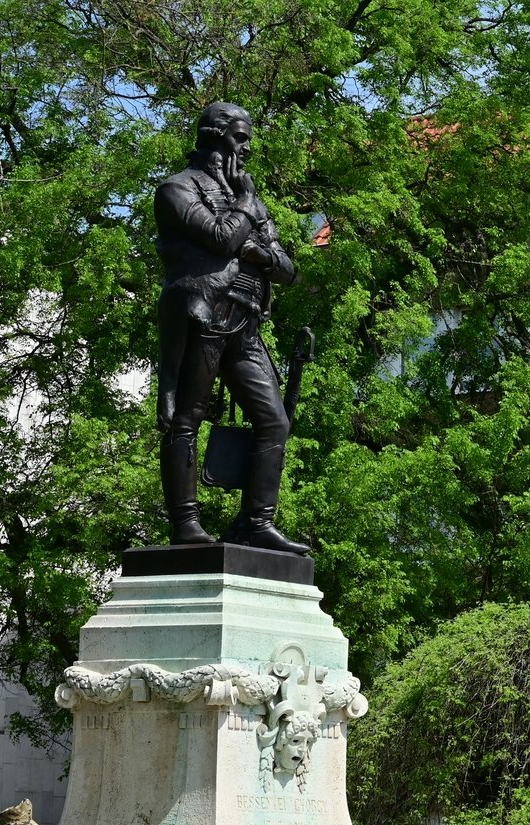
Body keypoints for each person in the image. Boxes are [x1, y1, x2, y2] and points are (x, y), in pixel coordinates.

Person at [154, 101, 307, 555]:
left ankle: (256, 523)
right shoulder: (177, 189)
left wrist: (262, 254)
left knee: (274, 421)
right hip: (202, 315)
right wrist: (245, 206)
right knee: (185, 419)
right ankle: (185, 523)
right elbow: (221, 238)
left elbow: (289, 270)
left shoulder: (248, 199)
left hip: (244, 321)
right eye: (240, 138)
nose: (246, 148)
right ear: (214, 136)